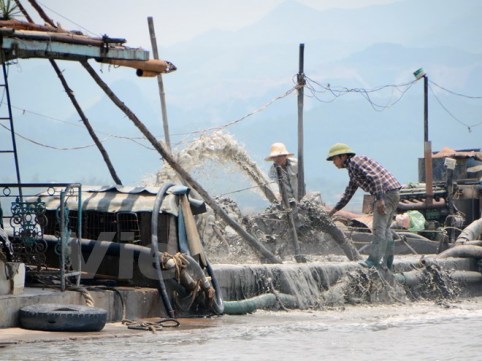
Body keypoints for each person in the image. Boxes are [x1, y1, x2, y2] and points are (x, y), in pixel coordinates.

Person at [326, 143, 401, 270]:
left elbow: (376, 178)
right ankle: (388, 264)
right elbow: (348, 194)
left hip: (386, 194)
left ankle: (373, 261)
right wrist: (332, 212)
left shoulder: (355, 163)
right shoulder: (353, 170)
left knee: (378, 229)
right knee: (386, 230)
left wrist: (380, 199)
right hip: (392, 192)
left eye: (334, 159)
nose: (333, 162)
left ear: (343, 156)